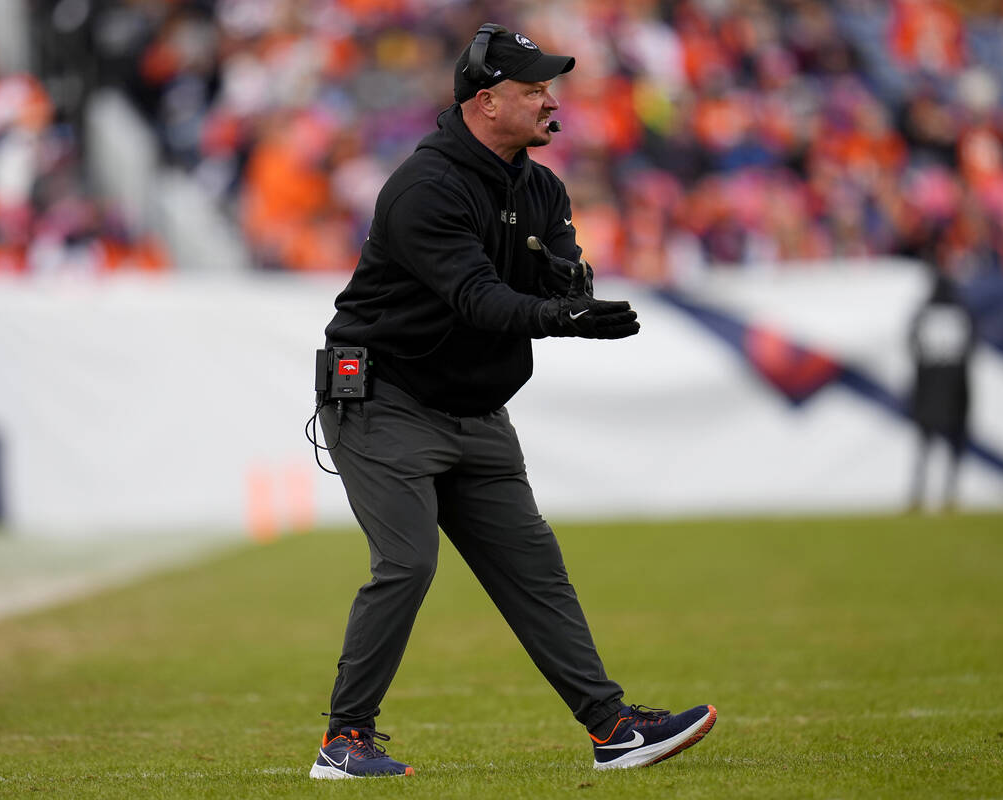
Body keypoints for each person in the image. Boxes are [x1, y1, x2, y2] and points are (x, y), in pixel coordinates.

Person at [307, 24, 716, 779]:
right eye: (533, 90)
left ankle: (613, 728)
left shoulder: (540, 185)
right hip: (386, 397)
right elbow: (476, 299)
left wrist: (571, 290)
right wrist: (563, 317)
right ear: (487, 103)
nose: (549, 101)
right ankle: (344, 740)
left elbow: (553, 275)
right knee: (406, 562)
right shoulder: (423, 187)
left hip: (474, 405)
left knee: (535, 567)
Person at [907, 266, 976, 512]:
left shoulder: (924, 314)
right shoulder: (961, 313)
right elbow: (971, 347)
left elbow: (912, 345)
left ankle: (922, 496)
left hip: (929, 389)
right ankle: (947, 495)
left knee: (926, 447)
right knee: (948, 446)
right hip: (954, 389)